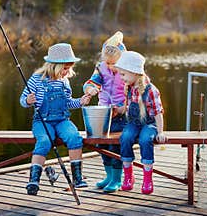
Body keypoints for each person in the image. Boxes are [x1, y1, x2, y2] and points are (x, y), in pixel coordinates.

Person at [20, 43, 91, 195]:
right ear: (54, 65)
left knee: (74, 137)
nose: (67, 72)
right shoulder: (36, 79)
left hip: (62, 120)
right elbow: (22, 100)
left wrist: (80, 101)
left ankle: (77, 178)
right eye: (65, 68)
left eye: (69, 68)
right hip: (42, 121)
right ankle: (33, 181)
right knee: (45, 141)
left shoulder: (64, 81)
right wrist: (28, 100)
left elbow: (68, 102)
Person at [114, 51, 167, 195]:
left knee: (145, 139)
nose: (121, 77)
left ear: (135, 72)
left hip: (150, 123)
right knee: (125, 137)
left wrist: (160, 132)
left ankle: (148, 179)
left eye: (123, 74)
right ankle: (128, 176)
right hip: (134, 123)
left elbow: (158, 112)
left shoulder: (151, 90)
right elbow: (127, 108)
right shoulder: (129, 88)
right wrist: (116, 109)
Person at [83, 31, 127, 193]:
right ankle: (109, 176)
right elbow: (91, 82)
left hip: (121, 114)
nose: (110, 67)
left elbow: (132, 92)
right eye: (108, 64)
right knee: (101, 144)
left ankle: (117, 179)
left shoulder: (126, 70)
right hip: (103, 112)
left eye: (114, 64)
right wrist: (91, 88)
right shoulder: (100, 68)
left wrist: (123, 106)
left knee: (115, 146)